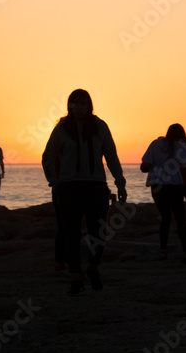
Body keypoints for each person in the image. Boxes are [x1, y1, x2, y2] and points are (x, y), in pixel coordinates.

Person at [42, 89, 127, 295]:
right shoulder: (62, 128)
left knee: (98, 232)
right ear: (69, 106)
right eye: (74, 103)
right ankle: (76, 277)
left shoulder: (100, 126)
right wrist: (55, 182)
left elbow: (112, 157)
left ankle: (93, 268)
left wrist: (120, 182)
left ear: (89, 105)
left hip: (96, 186)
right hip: (69, 188)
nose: (78, 107)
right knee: (71, 235)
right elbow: (47, 156)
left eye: (83, 103)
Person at [141, 124, 186, 262]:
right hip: (173, 185)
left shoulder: (155, 143)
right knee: (180, 219)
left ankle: (163, 251)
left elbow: (144, 166)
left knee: (165, 218)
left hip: (157, 185)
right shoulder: (179, 146)